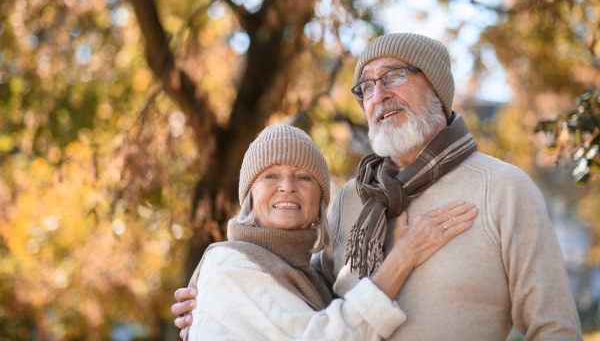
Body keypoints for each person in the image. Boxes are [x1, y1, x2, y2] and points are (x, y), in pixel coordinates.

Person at [174, 33, 582, 340]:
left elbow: (553, 327)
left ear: (437, 89)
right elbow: (302, 299)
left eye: (394, 76)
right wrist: (216, 301)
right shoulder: (352, 199)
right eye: (366, 86)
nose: (378, 94)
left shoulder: (504, 188)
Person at [181, 122, 476, 340]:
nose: (287, 186)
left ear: (320, 204)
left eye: (303, 177)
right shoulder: (229, 264)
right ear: (249, 197)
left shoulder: (311, 275)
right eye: (270, 175)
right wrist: (402, 258)